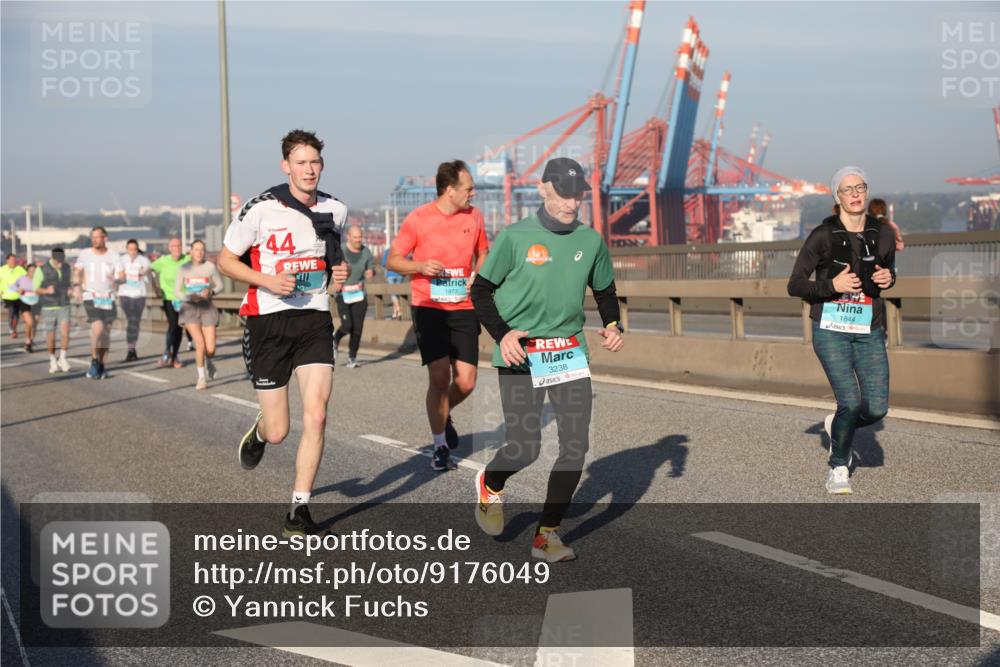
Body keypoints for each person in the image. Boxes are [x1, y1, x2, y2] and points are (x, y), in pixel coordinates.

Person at [470, 157, 624, 563]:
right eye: (563, 194)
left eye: (577, 195)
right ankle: (491, 482)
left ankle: (546, 535)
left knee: (575, 447)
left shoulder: (590, 241)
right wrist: (503, 335)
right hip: (521, 351)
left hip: (568, 352)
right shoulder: (515, 236)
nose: (571, 203)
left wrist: (613, 324)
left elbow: (605, 290)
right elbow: (480, 291)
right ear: (542, 189)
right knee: (525, 449)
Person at [218, 129, 349, 536]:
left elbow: (332, 263)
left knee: (318, 415)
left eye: (315, 162)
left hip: (314, 319)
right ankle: (260, 431)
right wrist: (267, 280)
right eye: (301, 163)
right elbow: (225, 261)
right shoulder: (261, 209)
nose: (309, 170)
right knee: (279, 431)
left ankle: (299, 508)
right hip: (268, 321)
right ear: (286, 166)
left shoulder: (335, 209)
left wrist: (338, 275)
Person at [787, 166, 896, 495]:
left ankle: (838, 426)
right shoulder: (822, 235)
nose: (855, 194)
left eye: (859, 187)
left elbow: (888, 271)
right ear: (837, 196)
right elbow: (795, 285)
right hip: (831, 328)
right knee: (849, 401)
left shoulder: (883, 233)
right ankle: (838, 466)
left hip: (869, 328)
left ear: (867, 191)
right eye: (847, 189)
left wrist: (889, 278)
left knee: (876, 408)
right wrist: (831, 285)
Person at [387, 159, 490, 471]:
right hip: (429, 307)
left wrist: (478, 276)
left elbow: (483, 252)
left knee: (467, 382)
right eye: (468, 188)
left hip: (463, 306)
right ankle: (440, 446)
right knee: (440, 376)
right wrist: (419, 266)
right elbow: (393, 260)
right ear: (449, 190)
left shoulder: (474, 216)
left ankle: (442, 412)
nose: (473, 193)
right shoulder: (419, 219)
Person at [74, 226, 121, 379]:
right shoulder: (85, 254)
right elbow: (77, 272)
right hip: (91, 295)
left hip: (108, 297)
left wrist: (117, 279)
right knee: (98, 327)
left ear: (105, 238)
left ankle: (102, 365)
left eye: (97, 237)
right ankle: (94, 360)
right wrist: (76, 287)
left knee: (106, 333)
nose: (94, 240)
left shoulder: (114, 255)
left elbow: (122, 275)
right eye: (92, 237)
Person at [176, 240, 224, 390]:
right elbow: (176, 291)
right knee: (200, 343)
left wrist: (211, 292)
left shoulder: (210, 267)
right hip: (189, 308)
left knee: (210, 349)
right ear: (191, 252)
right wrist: (188, 297)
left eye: (202, 249)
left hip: (207, 307)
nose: (199, 252)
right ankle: (201, 378)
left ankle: (209, 361)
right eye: (196, 249)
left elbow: (220, 285)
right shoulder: (184, 268)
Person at [333, 224, 374, 368]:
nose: (358, 240)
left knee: (357, 329)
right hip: (343, 294)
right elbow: (331, 268)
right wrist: (335, 282)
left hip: (359, 294)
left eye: (360, 237)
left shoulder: (366, 252)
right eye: (355, 237)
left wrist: (370, 272)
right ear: (348, 237)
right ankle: (335, 339)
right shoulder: (341, 250)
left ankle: (352, 358)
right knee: (347, 325)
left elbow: (370, 268)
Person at [150, 237, 190, 368]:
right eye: (174, 246)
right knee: (173, 325)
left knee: (179, 328)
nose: (177, 248)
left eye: (179, 246)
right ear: (169, 248)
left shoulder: (187, 259)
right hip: (169, 298)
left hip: (184, 298)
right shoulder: (163, 261)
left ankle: (174, 357)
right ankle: (167, 352)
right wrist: (155, 288)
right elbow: (148, 270)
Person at [35, 248, 73, 373]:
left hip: (64, 304)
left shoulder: (67, 267)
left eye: (62, 260)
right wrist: (46, 290)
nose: (60, 263)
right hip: (48, 306)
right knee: (50, 335)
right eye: (58, 261)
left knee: (65, 331)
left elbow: (69, 283)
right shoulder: (41, 269)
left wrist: (70, 289)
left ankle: (62, 358)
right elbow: (35, 288)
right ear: (52, 258)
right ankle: (52, 359)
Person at [117, 239, 151, 362]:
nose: (132, 251)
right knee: (131, 320)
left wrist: (144, 272)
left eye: (135, 249)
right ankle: (131, 350)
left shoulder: (144, 260)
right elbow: (117, 277)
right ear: (127, 249)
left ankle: (132, 349)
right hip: (125, 295)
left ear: (137, 249)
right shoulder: (121, 260)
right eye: (130, 249)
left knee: (135, 322)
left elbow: (149, 276)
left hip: (139, 295)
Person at [15, 265, 40, 352]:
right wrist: (18, 289)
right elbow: (12, 286)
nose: (32, 273)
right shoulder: (22, 278)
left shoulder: (39, 279)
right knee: (29, 321)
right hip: (24, 301)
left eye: (34, 271)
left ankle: (31, 340)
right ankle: (28, 341)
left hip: (36, 302)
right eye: (31, 271)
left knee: (34, 323)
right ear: (27, 271)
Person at [0, 254, 26, 338]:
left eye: (14, 260)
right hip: (7, 296)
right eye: (11, 260)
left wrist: (23, 288)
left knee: (16, 315)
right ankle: (12, 330)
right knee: (11, 312)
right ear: (7, 260)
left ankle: (14, 329)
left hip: (18, 295)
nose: (13, 262)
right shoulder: (2, 270)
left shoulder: (20, 269)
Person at [381, 250, 404, 320]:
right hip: (400, 274)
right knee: (397, 293)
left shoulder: (388, 251)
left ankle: (398, 309)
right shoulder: (401, 250)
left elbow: (383, 263)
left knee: (393, 293)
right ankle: (395, 313)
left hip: (390, 274)